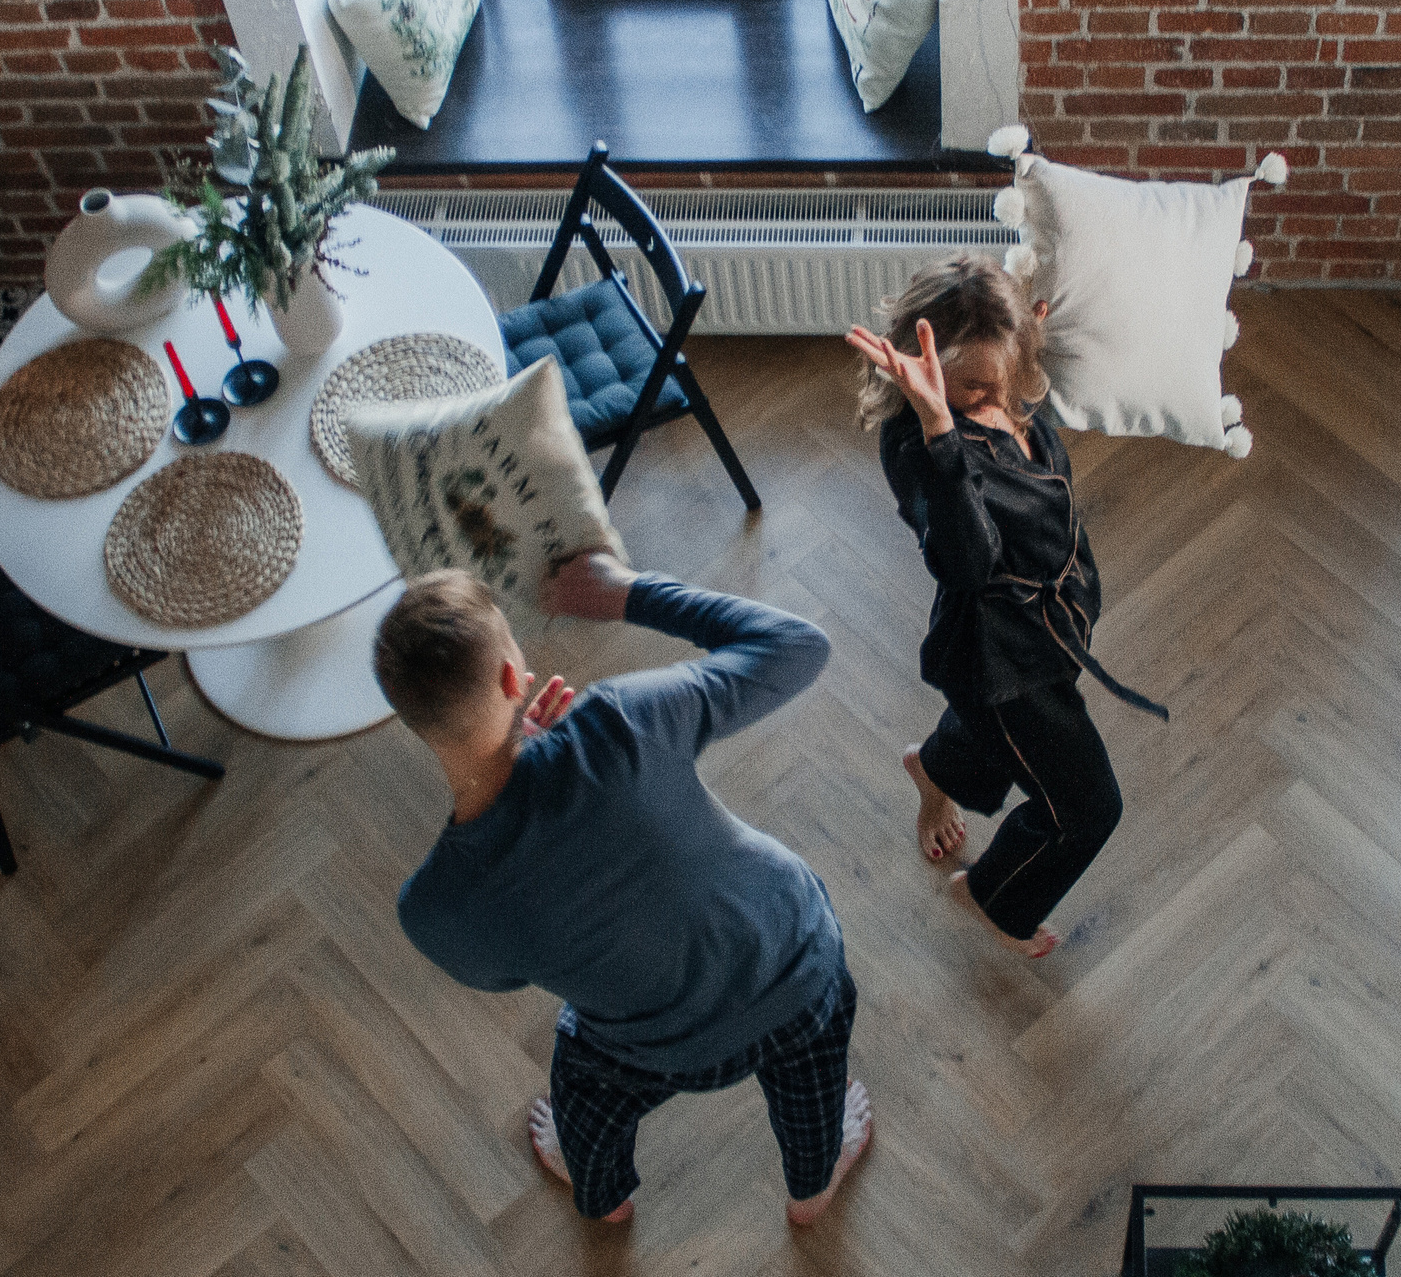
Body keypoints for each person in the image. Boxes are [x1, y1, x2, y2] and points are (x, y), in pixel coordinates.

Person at [381, 550, 871, 1228]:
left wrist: (532, 775)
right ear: (509, 675)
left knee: (579, 1071)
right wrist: (628, 593)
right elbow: (798, 647)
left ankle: (602, 1194)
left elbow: (502, 977)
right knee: (813, 1094)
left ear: (412, 721)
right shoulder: (620, 719)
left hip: (650, 1049)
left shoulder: (432, 906)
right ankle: (812, 1192)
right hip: (796, 970)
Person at [844, 255, 1158, 959]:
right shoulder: (918, 447)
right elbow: (967, 562)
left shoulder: (1007, 390)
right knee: (1086, 809)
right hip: (998, 659)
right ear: (926, 378)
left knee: (1012, 746)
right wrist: (938, 430)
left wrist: (1025, 352)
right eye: (970, 389)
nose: (993, 401)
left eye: (1004, 379)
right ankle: (990, 896)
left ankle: (935, 767)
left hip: (1047, 636)